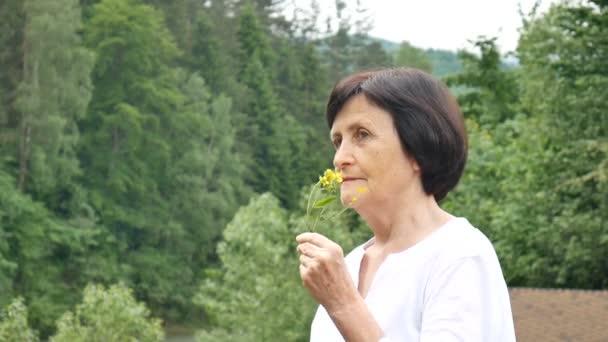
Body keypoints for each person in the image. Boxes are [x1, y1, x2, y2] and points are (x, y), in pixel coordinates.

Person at [296, 68, 516, 341]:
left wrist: (344, 304)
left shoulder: (460, 255)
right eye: (338, 141)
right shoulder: (348, 266)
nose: (340, 158)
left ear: (418, 150)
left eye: (362, 134)